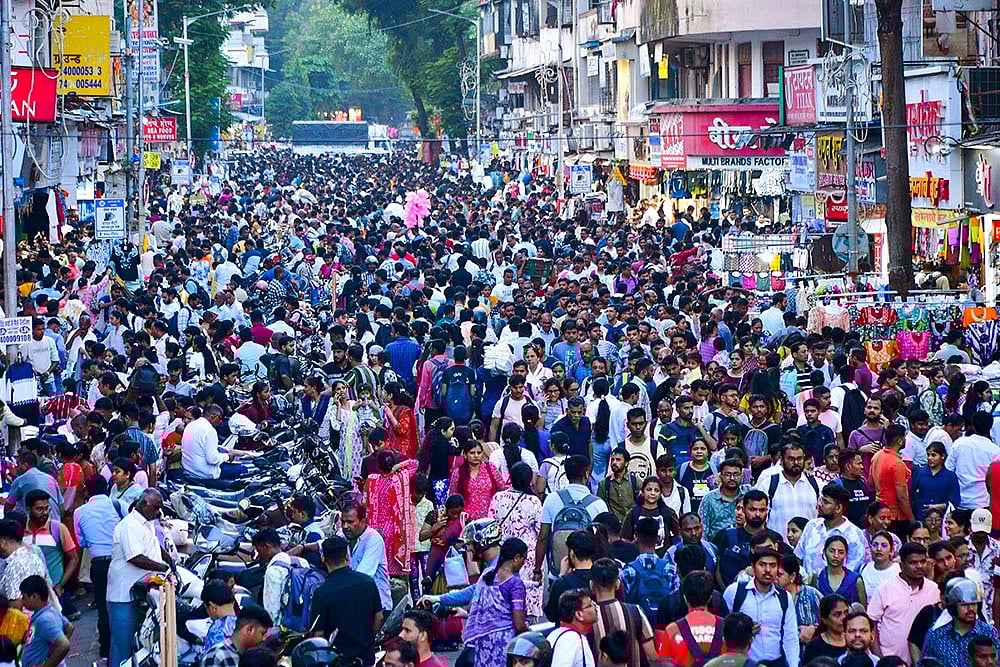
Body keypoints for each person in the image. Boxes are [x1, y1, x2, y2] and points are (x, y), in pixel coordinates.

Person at [107, 489, 171, 667]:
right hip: (122, 594)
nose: (159, 512)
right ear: (144, 505)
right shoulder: (130, 525)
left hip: (140, 590)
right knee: (122, 644)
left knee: (137, 642)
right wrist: (162, 567)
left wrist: (167, 557)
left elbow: (151, 543)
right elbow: (135, 557)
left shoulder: (146, 521)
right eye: (156, 507)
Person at [309, 536, 383, 666]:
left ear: (323, 558)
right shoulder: (368, 582)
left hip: (339, 661)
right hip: (366, 657)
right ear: (347, 557)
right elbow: (379, 618)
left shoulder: (322, 592)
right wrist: (367, 640)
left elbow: (318, 635)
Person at [533, 455, 608, 584]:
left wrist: (537, 569)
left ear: (566, 475)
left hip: (557, 574)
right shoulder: (598, 504)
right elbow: (602, 543)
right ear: (586, 473)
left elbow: (543, 537)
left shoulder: (551, 499)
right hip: (588, 576)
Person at [722, 547, 800, 667]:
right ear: (753, 568)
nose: (768, 570)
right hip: (744, 663)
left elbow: (790, 637)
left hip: (776, 662)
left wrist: (793, 664)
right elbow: (722, 628)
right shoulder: (735, 592)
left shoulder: (784, 597)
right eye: (762, 565)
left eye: (773, 565)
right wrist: (744, 630)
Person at [866, 542, 940, 665]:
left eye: (922, 561)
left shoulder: (934, 590)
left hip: (924, 661)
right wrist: (879, 656)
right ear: (901, 565)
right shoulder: (886, 588)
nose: (919, 566)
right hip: (891, 661)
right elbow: (871, 622)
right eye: (913, 563)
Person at [462, 537, 529, 667]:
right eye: (523, 558)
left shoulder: (487, 575)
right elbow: (519, 624)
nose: (524, 563)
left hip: (482, 642)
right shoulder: (515, 584)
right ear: (516, 558)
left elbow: (475, 606)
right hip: (505, 644)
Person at [72, 476, 119, 662]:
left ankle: (105, 649)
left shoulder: (79, 512)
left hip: (98, 564)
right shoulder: (117, 504)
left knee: (102, 607)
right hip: (119, 561)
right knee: (122, 604)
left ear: (87, 490)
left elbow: (82, 541)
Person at [488, 462, 543, 617]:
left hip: (502, 555)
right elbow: (541, 533)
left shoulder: (498, 498)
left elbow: (491, 525)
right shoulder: (534, 502)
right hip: (527, 558)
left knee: (504, 595)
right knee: (526, 597)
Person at [23, 490, 79, 620]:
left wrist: (61, 584)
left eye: (46, 508)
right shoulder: (21, 531)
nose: (44, 513)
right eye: (39, 509)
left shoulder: (58, 528)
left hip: (54, 593)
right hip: (28, 598)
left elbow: (74, 559)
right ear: (28, 509)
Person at [590, 557, 656, 667]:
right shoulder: (635, 611)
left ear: (592, 585)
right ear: (618, 584)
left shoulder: (587, 618)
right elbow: (651, 656)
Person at [794, 483, 868, 578]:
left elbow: (852, 572)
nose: (820, 505)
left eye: (826, 502)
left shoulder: (855, 535)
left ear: (838, 508)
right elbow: (798, 558)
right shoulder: (811, 526)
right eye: (821, 500)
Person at [922, 577, 1000, 666]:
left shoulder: (988, 632)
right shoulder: (936, 634)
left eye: (974, 604)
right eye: (965, 605)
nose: (971, 609)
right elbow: (925, 663)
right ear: (953, 607)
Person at [657, 570, 724, 667]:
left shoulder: (672, 630)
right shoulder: (726, 627)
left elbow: (663, 664)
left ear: (685, 598)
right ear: (710, 598)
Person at [621, 517, 681, 623]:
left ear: (636, 538)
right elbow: (676, 598)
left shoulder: (627, 571)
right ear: (658, 539)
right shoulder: (671, 568)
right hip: (665, 625)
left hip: (638, 625)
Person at [755, 442, 818, 539]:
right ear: (781, 460)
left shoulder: (816, 484)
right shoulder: (768, 484)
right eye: (791, 459)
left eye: (799, 459)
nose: (796, 463)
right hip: (778, 547)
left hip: (809, 547)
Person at [341, 500, 392, 612]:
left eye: (350, 522)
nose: (345, 526)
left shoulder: (374, 539)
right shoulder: (343, 534)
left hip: (377, 607)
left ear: (363, 521)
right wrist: (303, 547)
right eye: (343, 522)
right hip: (354, 601)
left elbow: (361, 576)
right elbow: (324, 545)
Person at [947, 412, 1000, 510]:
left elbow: (948, 470)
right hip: (983, 503)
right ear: (990, 426)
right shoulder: (995, 451)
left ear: (973, 426)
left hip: (960, 501)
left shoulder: (959, 444)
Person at [19, 575, 72, 667]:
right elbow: (69, 627)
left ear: (34, 596)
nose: (22, 601)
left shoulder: (44, 620)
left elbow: (64, 645)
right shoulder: (50, 610)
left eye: (24, 597)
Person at [544, 530, 596, 623]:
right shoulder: (602, 576)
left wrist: (561, 576)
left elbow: (551, 615)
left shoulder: (562, 583)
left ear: (571, 553)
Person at [200, 604, 274, 667]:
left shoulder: (253, 658)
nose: (263, 639)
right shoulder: (217, 656)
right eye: (262, 633)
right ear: (250, 629)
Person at [803, 536, 866, 607]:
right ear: (824, 552)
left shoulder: (856, 580)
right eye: (832, 551)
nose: (836, 555)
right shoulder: (816, 579)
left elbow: (863, 611)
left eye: (841, 552)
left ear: (846, 554)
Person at [910, 441, 961, 522]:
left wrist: (936, 507)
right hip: (920, 516)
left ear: (942, 456)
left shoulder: (950, 476)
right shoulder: (920, 472)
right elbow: (910, 494)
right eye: (928, 455)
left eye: (933, 455)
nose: (930, 458)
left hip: (941, 518)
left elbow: (954, 501)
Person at [547, 588, 598, 667]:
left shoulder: (556, 634)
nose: (595, 607)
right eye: (590, 605)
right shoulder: (571, 639)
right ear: (579, 615)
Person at [802, 593, 849, 663]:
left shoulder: (852, 639)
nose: (843, 618)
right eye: (837, 614)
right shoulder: (814, 646)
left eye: (846, 612)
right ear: (824, 619)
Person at [201, 580, 239, 656]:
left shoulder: (216, 630)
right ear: (233, 602)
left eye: (206, 608)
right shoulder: (244, 625)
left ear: (212, 607)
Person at [859, 531, 900, 601]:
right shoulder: (864, 568)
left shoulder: (899, 570)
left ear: (892, 550)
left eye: (884, 545)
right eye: (875, 545)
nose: (879, 549)